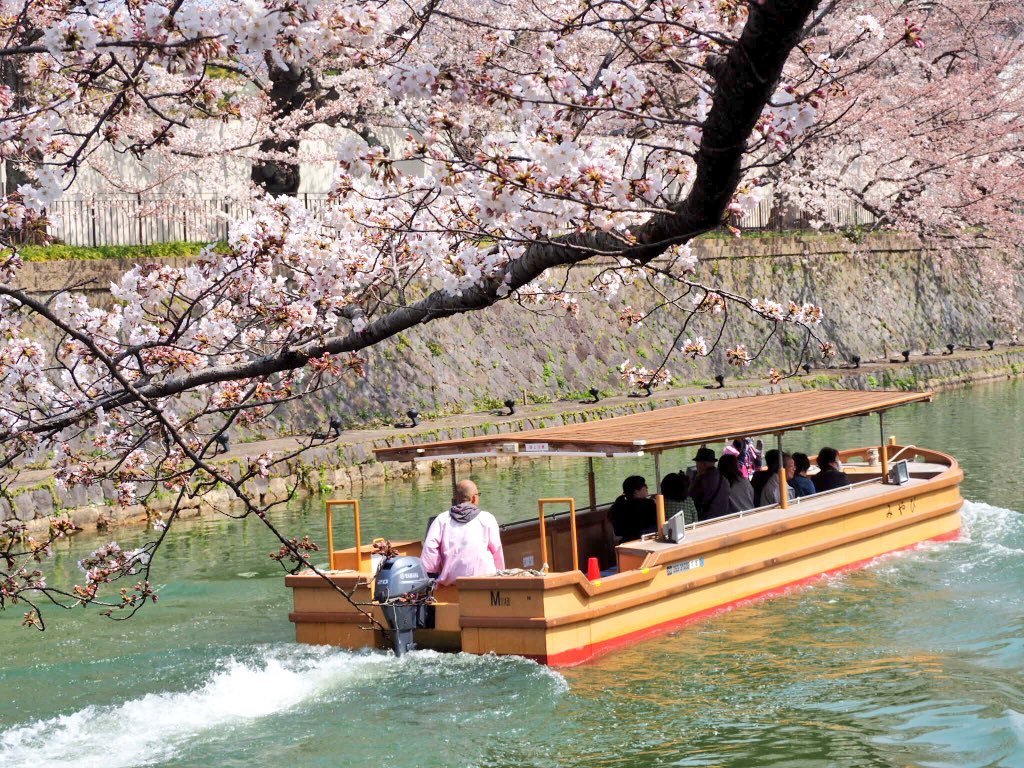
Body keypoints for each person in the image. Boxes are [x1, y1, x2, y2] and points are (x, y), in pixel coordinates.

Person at [420, 479, 505, 585]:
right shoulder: (487, 518)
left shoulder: (441, 519)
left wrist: (430, 575)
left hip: (453, 582)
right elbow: (497, 550)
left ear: (455, 499)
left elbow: (429, 549)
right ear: (474, 498)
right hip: (485, 582)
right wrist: (500, 574)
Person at [609, 475, 658, 542]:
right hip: (646, 540)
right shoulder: (648, 504)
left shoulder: (619, 505)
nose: (647, 487)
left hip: (626, 541)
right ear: (636, 491)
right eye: (644, 485)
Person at [688, 447, 730, 521]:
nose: (696, 466)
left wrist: (694, 480)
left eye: (697, 462)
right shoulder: (724, 479)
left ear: (703, 464)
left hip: (707, 520)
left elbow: (689, 498)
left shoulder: (702, 480)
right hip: (724, 518)